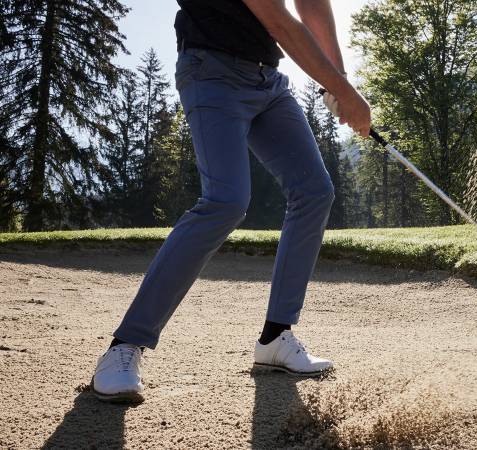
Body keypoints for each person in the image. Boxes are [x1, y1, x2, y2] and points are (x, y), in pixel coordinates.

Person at [90, 0, 371, 403]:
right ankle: (124, 346)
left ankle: (276, 336)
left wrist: (337, 80)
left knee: (314, 190)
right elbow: (280, 22)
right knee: (226, 200)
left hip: (267, 81)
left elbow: (311, 5)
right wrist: (347, 93)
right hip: (210, 70)